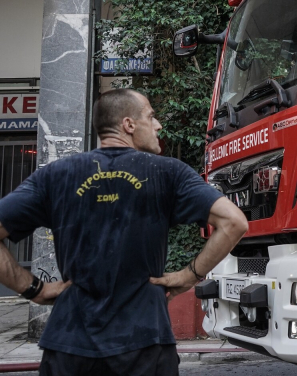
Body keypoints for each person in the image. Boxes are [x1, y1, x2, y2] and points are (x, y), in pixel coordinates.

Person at [0, 89, 249, 376]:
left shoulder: (55, 175)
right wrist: (189, 275)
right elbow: (234, 223)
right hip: (144, 342)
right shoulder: (168, 172)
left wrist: (35, 289)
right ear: (129, 125)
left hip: (70, 344)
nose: (158, 125)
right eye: (151, 116)